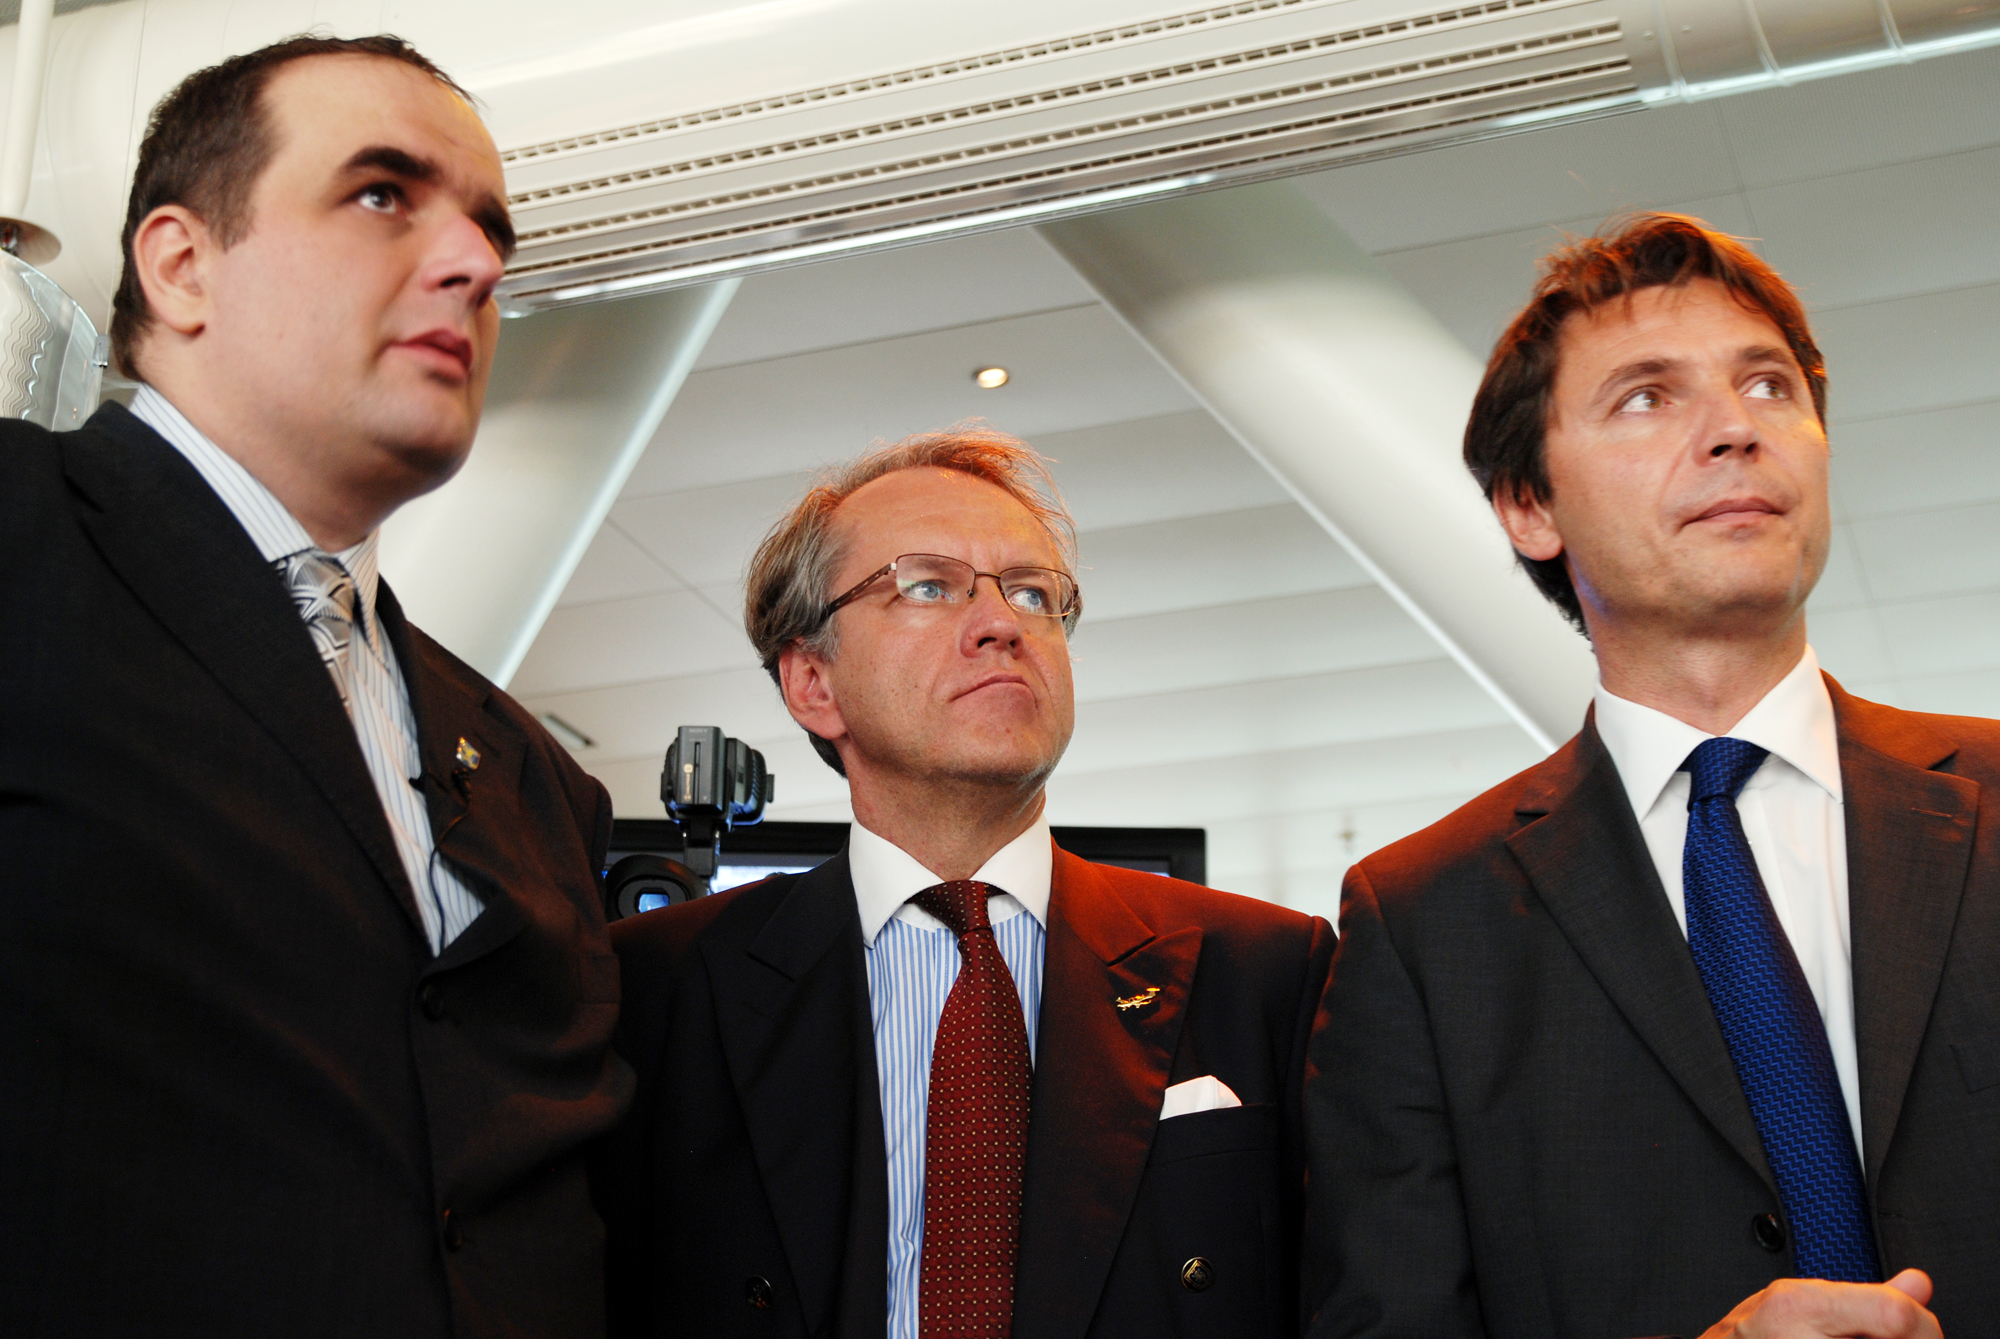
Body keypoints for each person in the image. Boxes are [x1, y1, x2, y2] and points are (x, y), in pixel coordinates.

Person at [0, 36, 630, 1337]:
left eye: (488, 230)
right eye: (383, 194)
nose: (474, 264)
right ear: (182, 266)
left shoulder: (536, 779)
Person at [1302, 212, 1998, 1339]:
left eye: (1769, 386)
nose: (1734, 428)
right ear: (1528, 507)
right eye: (1646, 396)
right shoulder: (1420, 926)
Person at [596, 428, 1334, 1338]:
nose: (1002, 623)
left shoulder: (1265, 970)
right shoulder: (656, 990)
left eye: (1033, 592)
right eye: (928, 584)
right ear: (813, 682)